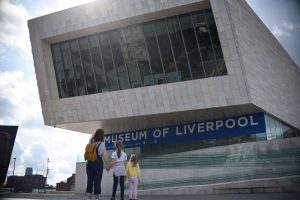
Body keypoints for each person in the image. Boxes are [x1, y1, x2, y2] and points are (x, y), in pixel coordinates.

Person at [86, 129, 109, 200]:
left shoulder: (90, 142)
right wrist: (107, 164)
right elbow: (104, 155)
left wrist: (94, 134)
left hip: (89, 163)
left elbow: (91, 137)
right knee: (97, 181)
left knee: (89, 180)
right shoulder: (101, 144)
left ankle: (88, 197)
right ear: (102, 135)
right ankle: (96, 197)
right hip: (97, 164)